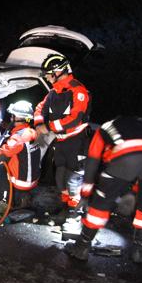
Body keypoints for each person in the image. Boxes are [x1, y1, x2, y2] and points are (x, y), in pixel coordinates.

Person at [65, 116, 142, 263]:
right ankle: (139, 252)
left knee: (101, 204)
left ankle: (82, 247)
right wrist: (134, 192)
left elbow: (93, 160)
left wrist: (86, 193)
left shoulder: (104, 129)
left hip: (127, 156)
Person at [34, 53, 91, 219]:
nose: (48, 77)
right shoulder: (53, 92)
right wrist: (39, 124)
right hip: (61, 142)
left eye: (49, 74)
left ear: (58, 71)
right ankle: (66, 207)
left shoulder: (78, 91)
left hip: (77, 141)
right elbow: (39, 109)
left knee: (74, 180)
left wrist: (49, 127)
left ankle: (75, 214)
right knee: (60, 178)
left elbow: (75, 119)